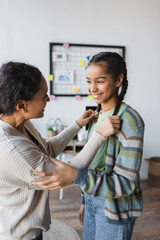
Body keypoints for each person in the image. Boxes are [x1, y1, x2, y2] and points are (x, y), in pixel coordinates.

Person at [0, 61, 121, 240]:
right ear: (21, 105)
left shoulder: (20, 123)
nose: (48, 100)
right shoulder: (12, 149)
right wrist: (99, 135)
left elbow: (47, 149)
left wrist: (77, 125)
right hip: (19, 234)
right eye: (44, 96)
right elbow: (63, 175)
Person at [33, 52, 145, 240]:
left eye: (100, 81)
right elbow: (92, 163)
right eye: (88, 81)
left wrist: (79, 178)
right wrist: (86, 201)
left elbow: (126, 184)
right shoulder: (95, 115)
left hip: (114, 208)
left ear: (118, 80)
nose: (92, 88)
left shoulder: (131, 122)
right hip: (93, 198)